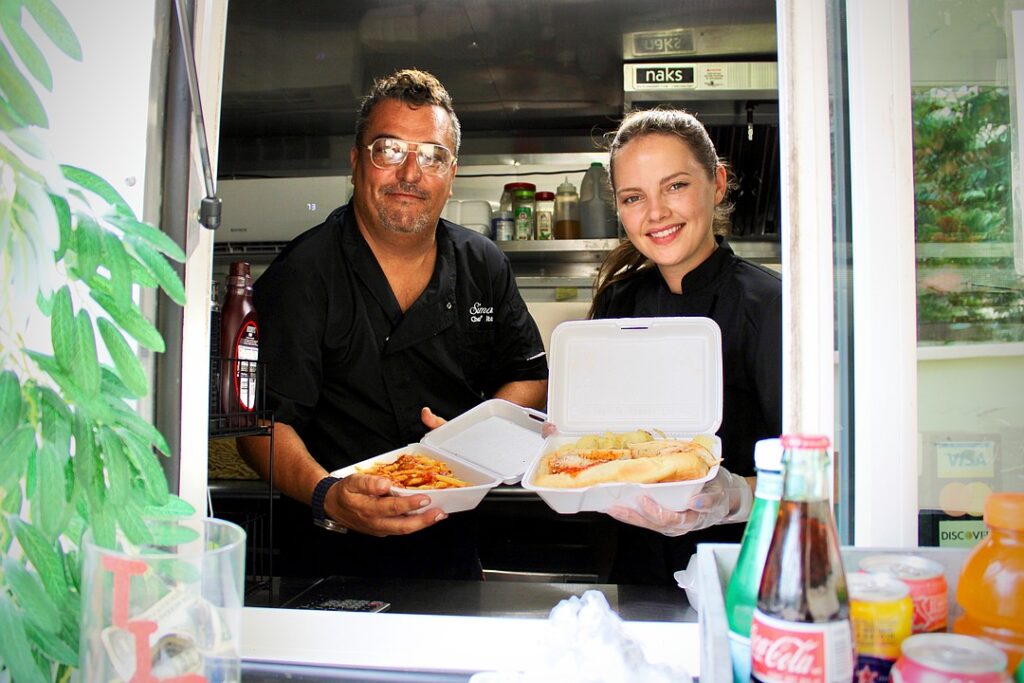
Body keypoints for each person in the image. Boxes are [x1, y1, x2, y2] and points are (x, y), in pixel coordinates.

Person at [237, 69, 548, 580]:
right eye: (389, 149)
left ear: (452, 173)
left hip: (452, 546)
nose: (410, 173)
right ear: (357, 161)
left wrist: (472, 438)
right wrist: (329, 495)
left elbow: (529, 374)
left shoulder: (482, 265)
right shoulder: (302, 276)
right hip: (330, 556)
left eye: (431, 155)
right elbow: (260, 425)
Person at [589, 108, 782, 585]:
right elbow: (592, 429)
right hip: (634, 568)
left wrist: (733, 496)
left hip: (739, 573)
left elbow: (818, 473)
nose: (655, 213)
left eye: (675, 186)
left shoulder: (771, 308)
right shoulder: (618, 301)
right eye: (635, 196)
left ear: (716, 183)